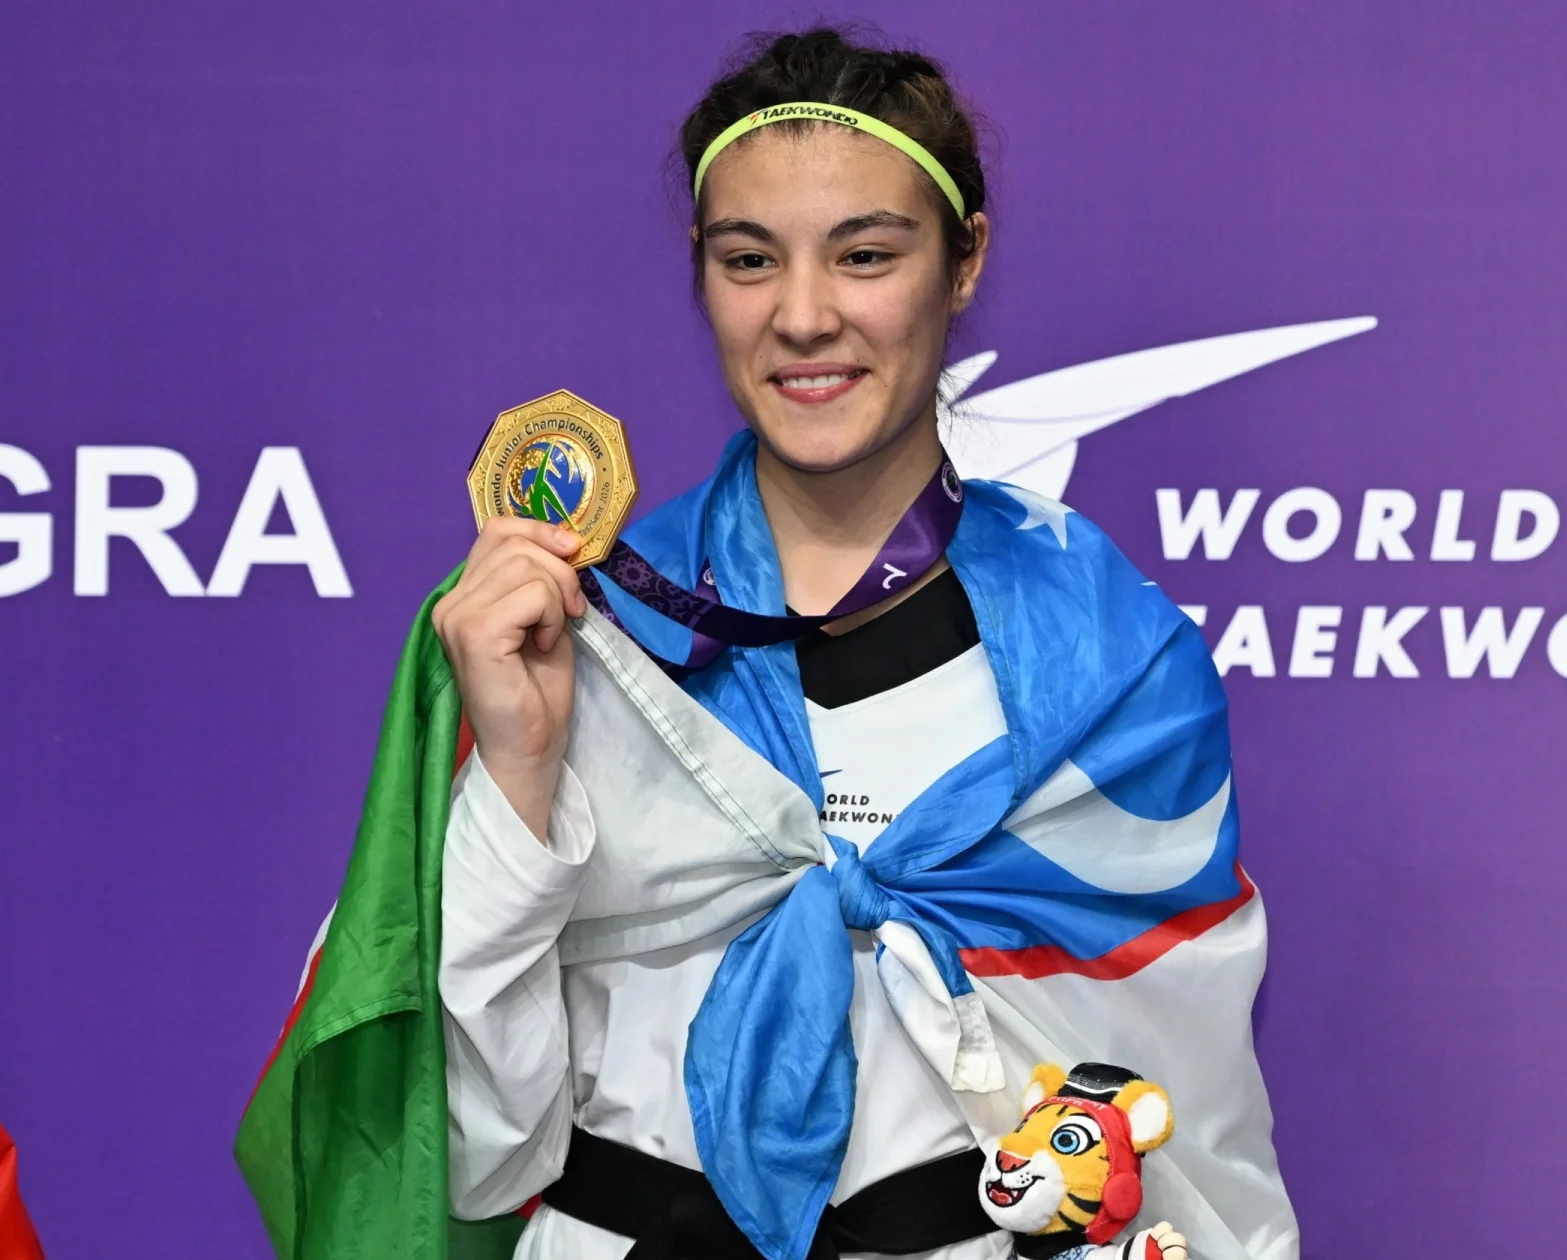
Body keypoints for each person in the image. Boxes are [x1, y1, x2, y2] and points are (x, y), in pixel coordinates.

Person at [260, 25, 1296, 1260]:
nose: (804, 317)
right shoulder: (583, 628)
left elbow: (1180, 1133)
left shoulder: (1115, 669)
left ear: (965, 261)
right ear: (701, 273)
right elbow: (475, 1153)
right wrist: (521, 777)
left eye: (866, 255)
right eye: (750, 259)